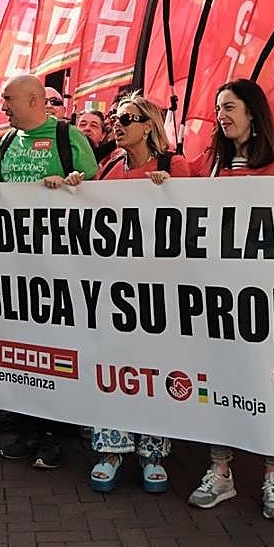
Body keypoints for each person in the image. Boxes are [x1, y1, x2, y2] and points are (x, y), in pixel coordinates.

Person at [188, 78, 274, 518]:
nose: (221, 115)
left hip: (272, 302)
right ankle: (220, 471)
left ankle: (273, 476)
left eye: (229, 107)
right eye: (218, 108)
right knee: (221, 381)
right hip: (221, 300)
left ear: (252, 111)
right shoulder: (209, 165)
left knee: (272, 384)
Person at [0, 75, 98, 467]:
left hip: (62, 267)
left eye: (8, 99)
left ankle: (55, 434)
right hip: (19, 267)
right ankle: (29, 428)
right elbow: (4, 193)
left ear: (33, 99)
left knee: (59, 350)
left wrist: (73, 184)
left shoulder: (67, 136)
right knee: (27, 350)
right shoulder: (8, 141)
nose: (3, 107)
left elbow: (97, 191)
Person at [89, 92, 190, 493]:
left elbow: (195, 219)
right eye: (115, 118)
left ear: (149, 126)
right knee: (114, 367)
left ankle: (152, 452)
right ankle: (111, 450)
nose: (117, 124)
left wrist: (172, 193)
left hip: (160, 289)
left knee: (155, 369)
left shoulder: (174, 165)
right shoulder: (109, 167)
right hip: (115, 289)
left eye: (127, 118)